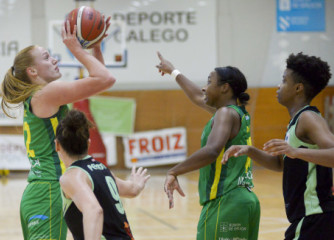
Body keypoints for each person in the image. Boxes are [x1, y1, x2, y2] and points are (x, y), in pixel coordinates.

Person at [0, 17, 116, 240]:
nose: (54, 60)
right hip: (48, 191)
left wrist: (94, 48)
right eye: (46, 57)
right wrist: (76, 49)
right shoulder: (46, 93)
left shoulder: (43, 95)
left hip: (48, 190)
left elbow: (98, 82)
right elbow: (105, 79)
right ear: (33, 71)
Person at [222, 52, 334, 240]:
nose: (278, 86)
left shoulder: (309, 118)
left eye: (283, 81)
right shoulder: (297, 120)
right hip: (311, 219)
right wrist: (249, 150)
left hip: (315, 218)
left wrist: (295, 151)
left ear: (298, 88)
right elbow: (281, 164)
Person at [156, 52, 260, 240]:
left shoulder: (225, 114)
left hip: (225, 201)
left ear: (224, 88)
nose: (204, 88)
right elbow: (197, 96)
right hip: (246, 201)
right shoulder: (236, 113)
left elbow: (212, 150)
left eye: (209, 82)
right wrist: (173, 71)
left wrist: (174, 171)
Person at [55, 109, 150, 240]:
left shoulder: (72, 177)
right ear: (88, 143)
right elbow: (132, 190)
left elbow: (94, 210)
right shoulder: (102, 169)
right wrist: (137, 184)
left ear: (57, 145)